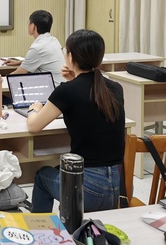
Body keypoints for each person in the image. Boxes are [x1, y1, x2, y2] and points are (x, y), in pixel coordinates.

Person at [27, 29, 126, 213]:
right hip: (117, 188)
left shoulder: (67, 91)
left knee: (42, 176)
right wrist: (74, 78)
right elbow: (90, 99)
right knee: (58, 169)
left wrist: (35, 109)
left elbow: (34, 126)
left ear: (71, 57)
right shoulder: (115, 88)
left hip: (90, 191)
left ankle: (41, 229)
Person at [2, 10, 66, 86]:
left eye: (28, 23)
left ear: (33, 26)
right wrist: (19, 62)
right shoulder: (54, 40)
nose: (27, 25)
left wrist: (0, 80)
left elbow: (18, 74)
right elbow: (42, 60)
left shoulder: (37, 48)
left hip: (52, 88)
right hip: (61, 85)